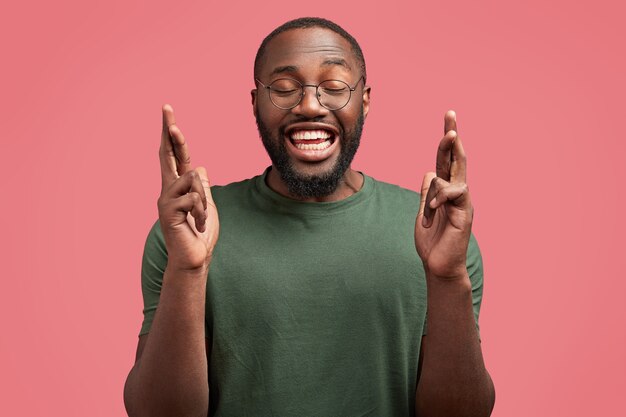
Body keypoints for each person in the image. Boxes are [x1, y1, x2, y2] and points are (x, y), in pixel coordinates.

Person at [123, 17, 495, 417]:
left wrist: (448, 276)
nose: (310, 105)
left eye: (335, 87)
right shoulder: (190, 228)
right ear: (254, 103)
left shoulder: (435, 229)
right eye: (284, 89)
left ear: (364, 101)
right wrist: (188, 270)